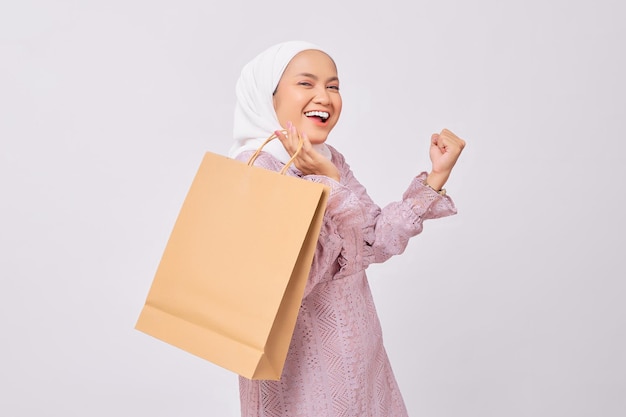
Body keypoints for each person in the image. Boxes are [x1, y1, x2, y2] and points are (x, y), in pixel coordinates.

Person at [228, 40, 465, 417]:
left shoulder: (328, 159)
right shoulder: (258, 170)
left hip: (362, 360)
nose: (324, 96)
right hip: (301, 376)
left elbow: (373, 240)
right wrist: (330, 186)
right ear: (267, 94)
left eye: (333, 86)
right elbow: (292, 282)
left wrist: (435, 177)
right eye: (306, 84)